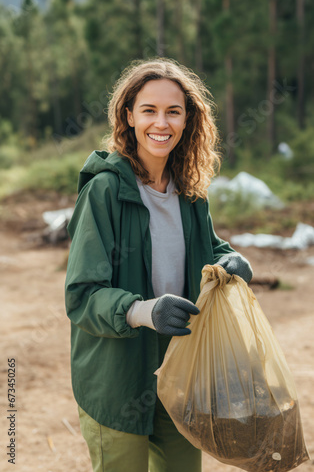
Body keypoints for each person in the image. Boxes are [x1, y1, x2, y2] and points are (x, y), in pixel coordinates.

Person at [65, 58, 253, 472]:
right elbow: (82, 295)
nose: (161, 123)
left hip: (180, 375)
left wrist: (229, 258)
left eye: (173, 111)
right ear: (129, 116)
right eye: (149, 110)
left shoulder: (190, 191)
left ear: (188, 119)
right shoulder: (104, 191)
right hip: (117, 379)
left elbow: (207, 247)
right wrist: (144, 310)